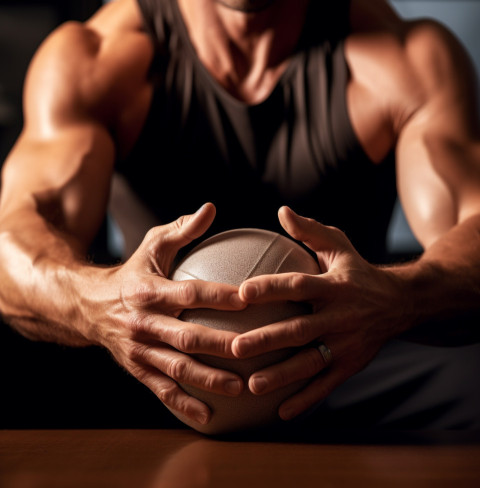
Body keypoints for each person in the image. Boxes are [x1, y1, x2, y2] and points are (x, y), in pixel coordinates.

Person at [0, 0, 479, 430]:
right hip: (151, 371)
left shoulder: (406, 57)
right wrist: (99, 304)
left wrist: (399, 299)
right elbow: (12, 244)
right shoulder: (96, 58)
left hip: (349, 365)